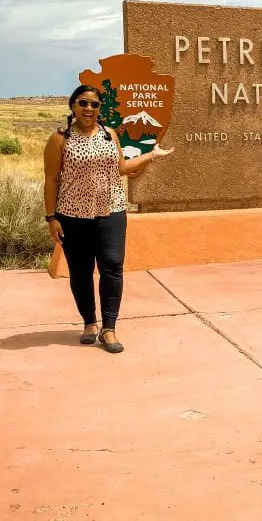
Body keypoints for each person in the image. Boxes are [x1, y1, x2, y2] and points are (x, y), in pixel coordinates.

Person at [43, 84, 174, 353]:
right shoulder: (60, 138)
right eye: (83, 103)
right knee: (80, 272)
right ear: (73, 106)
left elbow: (122, 168)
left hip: (111, 211)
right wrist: (51, 218)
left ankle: (109, 328)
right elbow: (51, 180)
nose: (88, 109)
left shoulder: (109, 135)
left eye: (94, 104)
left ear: (100, 109)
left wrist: (151, 155)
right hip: (72, 215)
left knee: (112, 267)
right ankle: (90, 323)